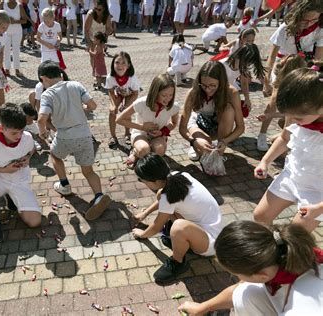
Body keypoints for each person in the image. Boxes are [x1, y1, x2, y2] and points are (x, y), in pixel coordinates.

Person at [178, 220, 323, 315]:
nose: (238, 279)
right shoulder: (287, 256)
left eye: (236, 275)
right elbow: (240, 287)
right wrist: (202, 308)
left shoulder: (302, 309)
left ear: (262, 276)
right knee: (244, 294)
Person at [132, 153, 223, 283]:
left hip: (211, 243)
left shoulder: (168, 196)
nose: (141, 182)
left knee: (178, 227)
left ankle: (178, 262)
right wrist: (145, 213)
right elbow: (163, 200)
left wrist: (142, 235)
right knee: (162, 198)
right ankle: (182, 241)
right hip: (209, 229)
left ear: (155, 181)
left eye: (141, 180)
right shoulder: (179, 176)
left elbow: (156, 226)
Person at [37, 61, 111, 221]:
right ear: (60, 74)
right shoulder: (76, 85)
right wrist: (82, 110)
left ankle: (64, 185)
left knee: (55, 156)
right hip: (84, 135)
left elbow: (41, 118)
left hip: (64, 136)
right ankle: (98, 195)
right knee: (88, 171)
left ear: (43, 78)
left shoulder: (47, 94)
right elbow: (93, 105)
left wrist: (43, 132)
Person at [253, 66, 323, 232]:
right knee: (260, 217)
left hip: (318, 190)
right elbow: (284, 138)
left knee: (296, 233)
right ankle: (271, 249)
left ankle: (298, 253)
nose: (292, 120)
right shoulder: (297, 116)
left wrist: (319, 208)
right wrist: (265, 162)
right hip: (292, 175)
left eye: (298, 117)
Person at [0, 104, 41, 244]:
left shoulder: (27, 137)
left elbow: (31, 150)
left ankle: (13, 198)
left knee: (35, 222)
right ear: (2, 127)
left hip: (20, 181)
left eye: (21, 131)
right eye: (14, 133)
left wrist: (28, 158)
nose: (19, 136)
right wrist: (4, 170)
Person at [179, 61, 244, 162]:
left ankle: (219, 148)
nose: (208, 90)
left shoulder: (232, 93)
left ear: (221, 83)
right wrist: (193, 141)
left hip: (219, 127)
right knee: (205, 152)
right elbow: (182, 127)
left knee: (229, 110)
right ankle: (197, 145)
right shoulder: (193, 93)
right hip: (198, 123)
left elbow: (240, 127)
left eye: (213, 85)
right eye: (204, 85)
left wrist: (225, 141)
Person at [116, 74, 180, 169]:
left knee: (160, 150)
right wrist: (142, 127)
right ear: (155, 92)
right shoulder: (141, 103)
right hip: (140, 133)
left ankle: (148, 156)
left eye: (171, 95)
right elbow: (119, 119)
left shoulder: (173, 106)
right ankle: (135, 153)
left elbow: (174, 123)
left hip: (158, 136)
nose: (168, 99)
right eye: (164, 95)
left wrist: (162, 132)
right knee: (143, 150)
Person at [263, 0, 323, 95]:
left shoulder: (319, 29)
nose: (308, 24)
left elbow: (318, 59)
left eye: (314, 20)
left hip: (302, 67)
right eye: (305, 20)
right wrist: (266, 82)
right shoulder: (284, 28)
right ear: (298, 15)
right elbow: (271, 58)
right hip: (283, 67)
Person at [256, 54, 306, 151]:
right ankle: (281, 136)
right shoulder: (293, 82)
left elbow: (298, 114)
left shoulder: (304, 88)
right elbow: (292, 114)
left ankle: (287, 136)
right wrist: (270, 115)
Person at [104, 51, 140, 149]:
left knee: (126, 112)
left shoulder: (132, 78)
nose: (120, 65)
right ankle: (113, 136)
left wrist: (126, 105)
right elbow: (110, 91)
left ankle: (127, 133)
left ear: (128, 65)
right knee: (112, 112)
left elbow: (136, 93)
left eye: (123, 62)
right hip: (118, 93)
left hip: (130, 94)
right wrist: (112, 105)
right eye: (117, 62)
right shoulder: (110, 77)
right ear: (113, 64)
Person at [219, 43, 266, 116]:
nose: (246, 65)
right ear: (238, 56)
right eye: (246, 62)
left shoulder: (242, 66)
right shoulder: (222, 66)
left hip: (226, 92)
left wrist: (247, 98)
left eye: (249, 63)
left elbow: (244, 83)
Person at [0, 0, 28, 77]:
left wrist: (15, 21)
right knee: (6, 50)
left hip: (17, 31)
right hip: (5, 31)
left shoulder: (19, 6)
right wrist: (6, 20)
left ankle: (17, 69)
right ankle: (7, 69)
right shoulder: (3, 3)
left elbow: (25, 20)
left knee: (16, 50)